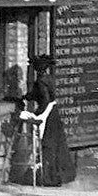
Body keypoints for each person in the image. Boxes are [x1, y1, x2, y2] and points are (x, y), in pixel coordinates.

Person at [9, 54, 77, 187]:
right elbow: (35, 95)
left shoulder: (41, 81)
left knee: (48, 145)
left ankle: (49, 178)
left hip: (48, 116)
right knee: (57, 144)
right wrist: (24, 97)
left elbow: (45, 100)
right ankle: (57, 175)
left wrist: (37, 114)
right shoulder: (48, 79)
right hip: (54, 114)